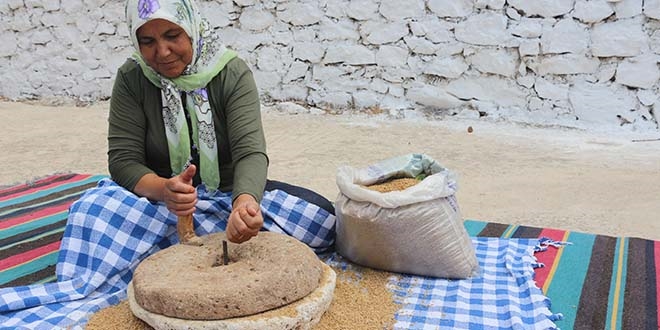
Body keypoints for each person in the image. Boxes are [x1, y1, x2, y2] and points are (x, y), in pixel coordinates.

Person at [0, 1, 335, 328]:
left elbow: (250, 152)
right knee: (91, 211)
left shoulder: (231, 72)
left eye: (172, 35)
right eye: (148, 41)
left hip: (227, 196)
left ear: (192, 29)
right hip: (159, 205)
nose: (162, 52)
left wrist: (245, 206)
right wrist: (165, 190)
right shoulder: (133, 78)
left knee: (321, 219)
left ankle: (174, 244)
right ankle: (181, 247)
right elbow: (123, 160)